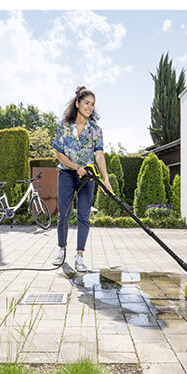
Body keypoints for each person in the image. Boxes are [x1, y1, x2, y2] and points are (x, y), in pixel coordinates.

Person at [52, 86, 112, 272]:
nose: (90, 107)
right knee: (64, 213)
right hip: (67, 173)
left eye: (93, 104)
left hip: (88, 175)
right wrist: (75, 167)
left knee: (84, 215)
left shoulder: (96, 130)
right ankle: (61, 250)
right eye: (87, 103)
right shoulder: (63, 127)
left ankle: (80, 256)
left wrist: (106, 179)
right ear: (77, 104)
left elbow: (99, 155)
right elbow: (59, 154)